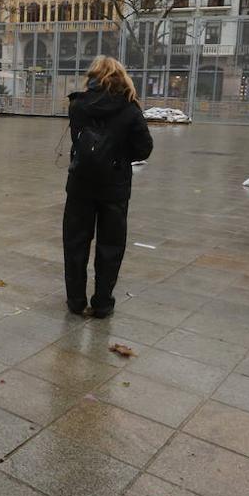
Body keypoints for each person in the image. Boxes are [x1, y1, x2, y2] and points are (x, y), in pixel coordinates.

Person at [64, 55, 153, 318]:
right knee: (111, 245)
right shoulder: (129, 108)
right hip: (114, 185)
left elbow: (78, 140)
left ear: (92, 77)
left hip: (80, 183)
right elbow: (144, 148)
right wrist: (119, 155)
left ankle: (75, 301)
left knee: (75, 242)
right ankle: (102, 303)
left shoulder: (78, 105)